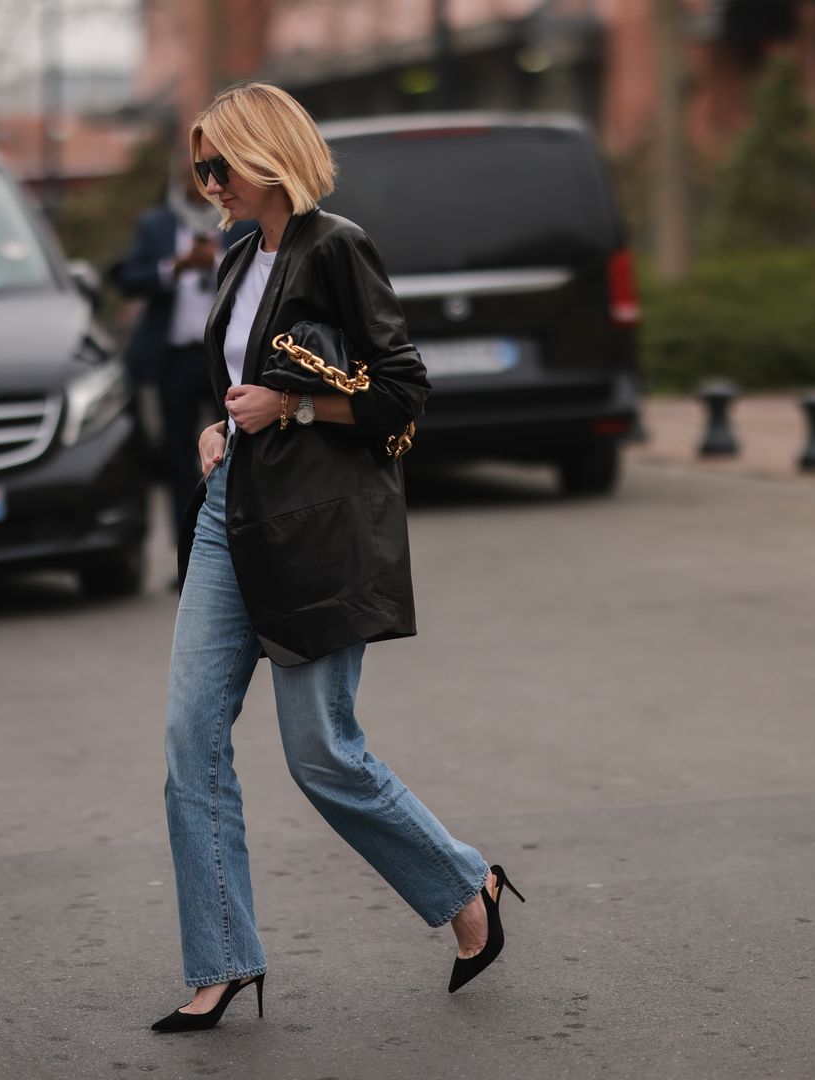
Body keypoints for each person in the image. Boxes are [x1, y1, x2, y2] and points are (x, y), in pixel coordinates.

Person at [151, 81, 523, 1035]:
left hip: (312, 528)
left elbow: (402, 392)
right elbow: (242, 386)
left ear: (264, 155)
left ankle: (461, 881)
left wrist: (297, 407)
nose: (208, 185)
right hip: (231, 512)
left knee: (322, 754)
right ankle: (222, 961)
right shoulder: (238, 261)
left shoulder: (337, 247)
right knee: (191, 737)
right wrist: (218, 427)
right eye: (200, 169)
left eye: (217, 165)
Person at [111, 169, 257, 554]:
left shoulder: (240, 218)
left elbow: (258, 275)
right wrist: (173, 267)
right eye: (193, 178)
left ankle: (238, 544)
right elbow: (130, 278)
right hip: (173, 359)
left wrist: (214, 262)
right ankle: (188, 549)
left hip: (225, 358)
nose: (203, 189)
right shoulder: (155, 224)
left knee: (235, 451)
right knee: (179, 458)